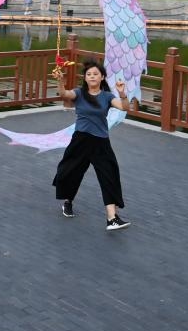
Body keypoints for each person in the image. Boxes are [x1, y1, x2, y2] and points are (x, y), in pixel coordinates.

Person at [51, 59, 132, 231]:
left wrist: (122, 93)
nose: (92, 76)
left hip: (100, 142)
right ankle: (68, 201)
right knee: (71, 171)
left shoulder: (107, 96)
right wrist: (60, 80)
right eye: (89, 74)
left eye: (96, 74)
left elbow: (124, 107)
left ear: (102, 77)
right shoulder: (79, 93)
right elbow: (64, 94)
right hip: (81, 140)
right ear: (85, 78)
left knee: (109, 175)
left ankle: (112, 218)